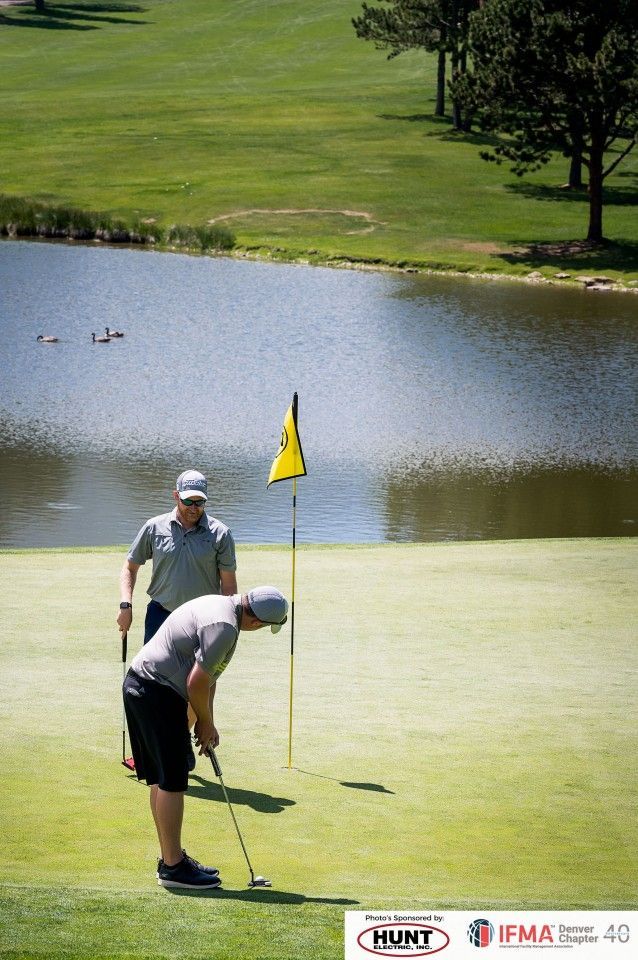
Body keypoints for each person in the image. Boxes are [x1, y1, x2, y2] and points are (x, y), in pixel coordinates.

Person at [122, 586, 288, 890]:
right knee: (172, 780)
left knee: (164, 777)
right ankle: (172, 868)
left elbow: (208, 680)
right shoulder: (225, 628)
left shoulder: (222, 607)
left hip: (147, 687)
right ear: (257, 622)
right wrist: (207, 724)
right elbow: (196, 681)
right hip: (154, 692)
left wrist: (202, 722)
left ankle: (170, 858)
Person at [117, 470, 238, 645]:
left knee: (196, 673)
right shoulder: (154, 528)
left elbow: (229, 586)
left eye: (199, 502)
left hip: (203, 618)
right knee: (153, 671)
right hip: (160, 615)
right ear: (176, 495)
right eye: (188, 501)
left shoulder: (221, 533)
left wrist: (228, 625)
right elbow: (130, 568)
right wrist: (125, 605)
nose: (194, 508)